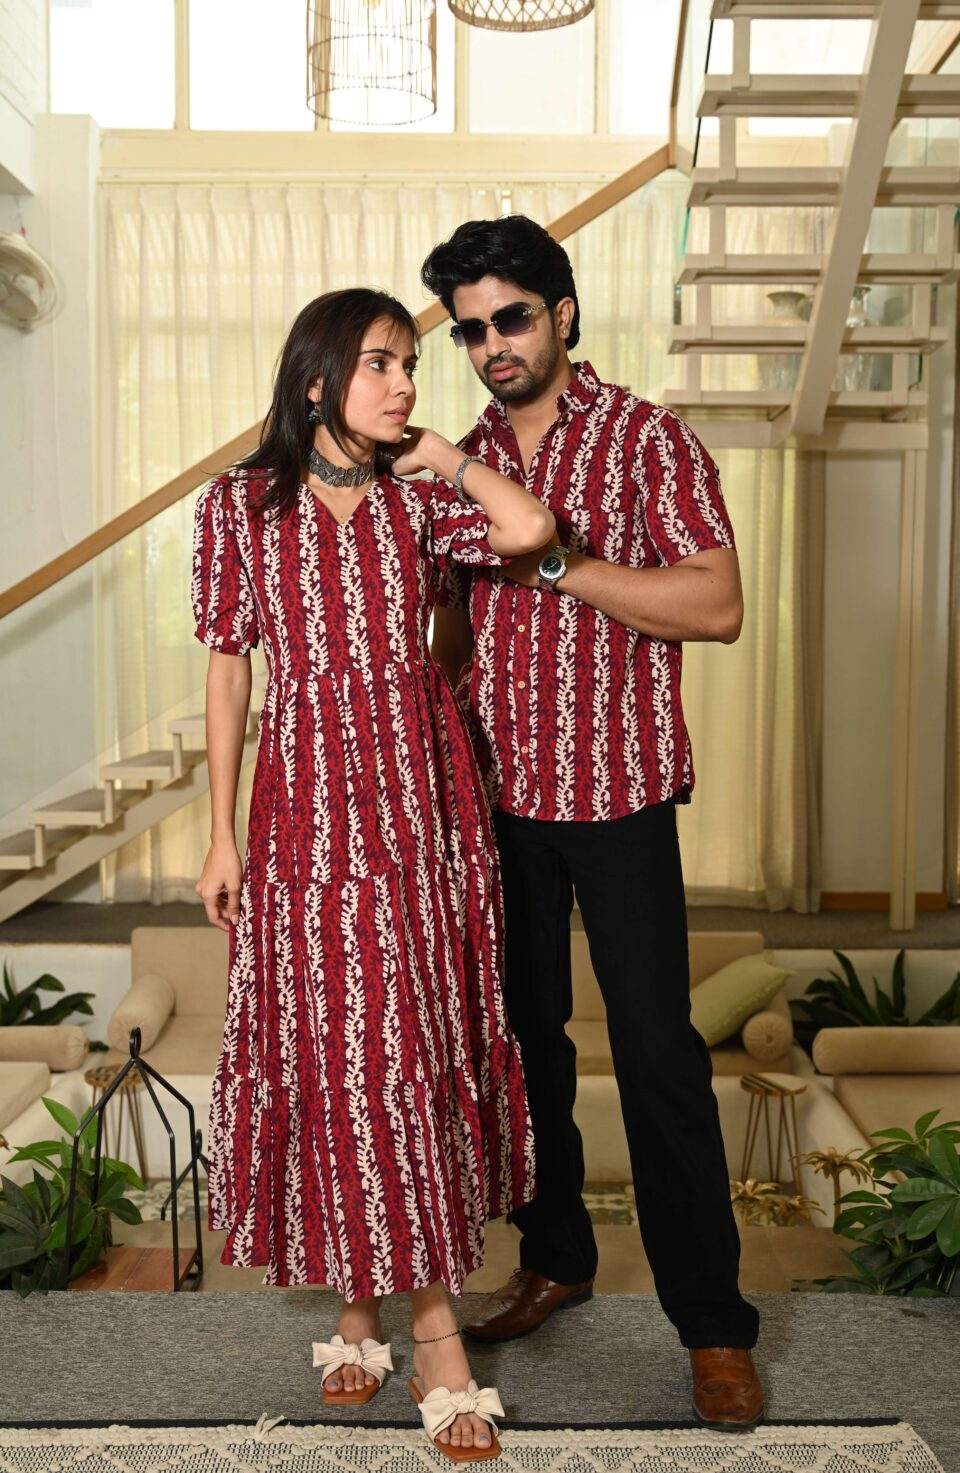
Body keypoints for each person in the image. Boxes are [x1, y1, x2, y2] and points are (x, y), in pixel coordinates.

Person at [192, 287, 553, 1461]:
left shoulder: (418, 498)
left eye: (409, 364)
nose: (405, 384)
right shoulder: (240, 506)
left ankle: (401, 1320)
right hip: (301, 805)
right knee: (332, 1045)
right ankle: (386, 1313)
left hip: (418, 801)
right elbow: (229, 675)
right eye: (380, 365)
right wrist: (218, 834)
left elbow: (527, 531)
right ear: (316, 383)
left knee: (402, 1039)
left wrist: (444, 455)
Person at [421, 217, 764, 1430]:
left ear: (561, 313)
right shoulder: (458, 459)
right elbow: (454, 633)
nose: (490, 345)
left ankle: (712, 1326)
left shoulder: (645, 439)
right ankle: (555, 1259)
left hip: (615, 793)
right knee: (524, 1049)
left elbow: (714, 606)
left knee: (657, 1053)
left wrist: (557, 566)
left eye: (509, 318)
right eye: (469, 330)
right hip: (496, 803)